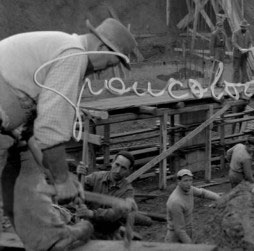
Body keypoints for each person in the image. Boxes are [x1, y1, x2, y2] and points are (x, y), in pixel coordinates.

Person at [0, 17, 137, 251]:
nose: (105, 71)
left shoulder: (62, 48)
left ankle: (48, 238)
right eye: (112, 63)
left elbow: (32, 136)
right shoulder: (73, 55)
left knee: (25, 162)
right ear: (102, 48)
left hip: (9, 121)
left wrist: (60, 175)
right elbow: (51, 129)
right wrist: (62, 180)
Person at [75, 150, 146, 240]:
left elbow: (115, 213)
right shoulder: (95, 177)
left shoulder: (127, 191)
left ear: (129, 171)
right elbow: (77, 192)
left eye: (123, 168)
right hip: (87, 228)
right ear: (112, 162)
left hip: (108, 234)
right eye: (117, 165)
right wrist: (79, 176)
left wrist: (92, 213)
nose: (118, 170)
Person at [165, 169, 220, 244]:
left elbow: (203, 193)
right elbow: (179, 230)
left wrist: (220, 198)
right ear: (179, 182)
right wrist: (190, 245)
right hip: (175, 238)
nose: (189, 183)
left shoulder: (189, 189)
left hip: (187, 230)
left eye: (190, 180)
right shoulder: (176, 202)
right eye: (185, 181)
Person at [232, 19, 253, 83]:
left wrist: (248, 48)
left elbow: (250, 41)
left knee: (244, 69)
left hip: (245, 54)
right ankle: (235, 82)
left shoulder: (248, 33)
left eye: (245, 27)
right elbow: (234, 42)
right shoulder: (235, 33)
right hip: (237, 54)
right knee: (236, 69)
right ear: (241, 27)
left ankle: (243, 82)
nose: (244, 28)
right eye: (243, 27)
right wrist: (239, 48)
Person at [209, 19, 229, 87]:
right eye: (219, 26)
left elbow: (224, 45)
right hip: (216, 50)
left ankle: (218, 82)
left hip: (222, 51)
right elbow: (211, 45)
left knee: (221, 67)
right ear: (216, 26)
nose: (220, 28)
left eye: (221, 26)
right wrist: (212, 55)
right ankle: (212, 83)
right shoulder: (214, 34)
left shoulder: (223, 34)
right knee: (215, 67)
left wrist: (224, 53)